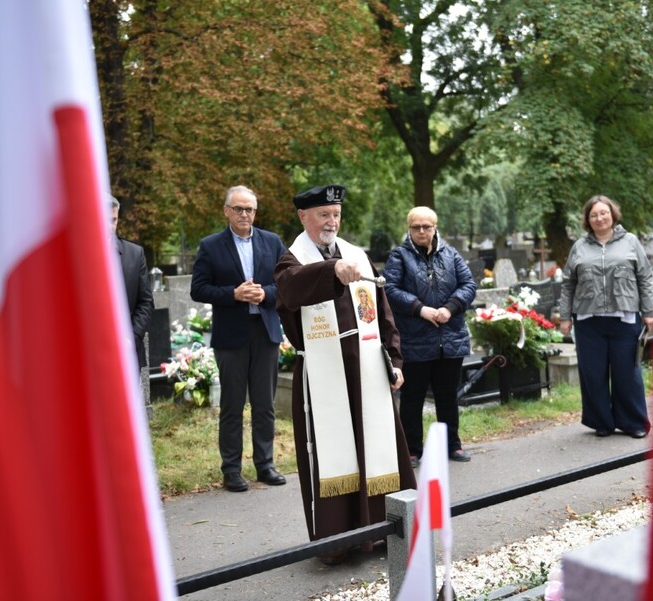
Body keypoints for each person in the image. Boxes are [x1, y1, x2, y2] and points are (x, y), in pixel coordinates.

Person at [274, 184, 416, 565]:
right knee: (334, 452)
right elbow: (289, 292)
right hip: (325, 374)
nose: (331, 222)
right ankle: (338, 542)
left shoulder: (357, 254)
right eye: (323, 214)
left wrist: (396, 360)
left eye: (336, 214)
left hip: (367, 365)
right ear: (303, 217)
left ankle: (386, 532)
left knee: (380, 446)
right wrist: (333, 271)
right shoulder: (292, 259)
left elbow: (382, 312)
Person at [190, 185, 287, 492]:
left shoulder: (271, 242)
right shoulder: (211, 246)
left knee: (264, 404)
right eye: (239, 209)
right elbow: (198, 289)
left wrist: (266, 293)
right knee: (232, 405)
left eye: (250, 209)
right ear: (227, 211)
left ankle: (265, 464)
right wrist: (233, 294)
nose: (245, 214)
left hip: (265, 332)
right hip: (231, 335)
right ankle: (231, 469)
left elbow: (287, 282)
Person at [383, 206, 477, 466]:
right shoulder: (399, 257)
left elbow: (469, 285)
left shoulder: (451, 254)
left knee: (448, 395)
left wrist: (450, 308)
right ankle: (412, 450)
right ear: (409, 228)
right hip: (415, 338)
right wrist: (420, 309)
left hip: (450, 337)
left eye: (427, 226)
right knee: (412, 396)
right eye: (416, 227)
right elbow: (389, 289)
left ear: (435, 227)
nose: (422, 231)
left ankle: (452, 446)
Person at [558, 195, 653, 439]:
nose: (599, 218)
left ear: (613, 214)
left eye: (603, 213)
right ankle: (601, 421)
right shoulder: (579, 246)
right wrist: (564, 317)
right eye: (594, 215)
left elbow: (644, 277)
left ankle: (633, 422)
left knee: (627, 373)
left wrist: (649, 311)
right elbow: (568, 283)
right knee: (593, 373)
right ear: (587, 220)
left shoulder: (631, 242)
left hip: (624, 318)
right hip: (588, 321)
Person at [110, 195, 155, 376]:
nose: (109, 226)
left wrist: (131, 337)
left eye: (113, 220)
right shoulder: (74, 254)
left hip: (127, 351)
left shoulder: (134, 254)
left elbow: (145, 302)